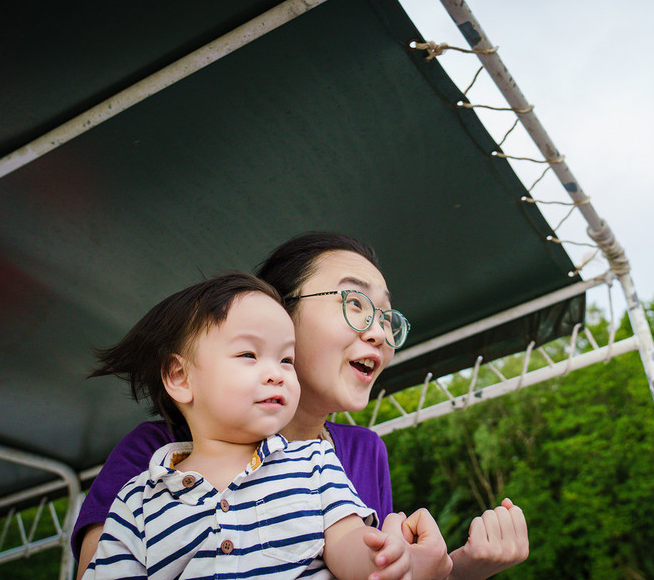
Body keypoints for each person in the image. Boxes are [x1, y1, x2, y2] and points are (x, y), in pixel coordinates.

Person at [75, 232, 529, 579]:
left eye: (387, 318)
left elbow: (372, 565)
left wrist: (456, 567)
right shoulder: (153, 460)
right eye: (355, 303)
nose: (380, 333)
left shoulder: (360, 453)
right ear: (276, 311)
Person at [83, 272, 410, 580]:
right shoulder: (137, 501)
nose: (277, 373)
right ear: (180, 377)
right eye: (249, 354)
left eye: (286, 360)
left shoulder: (316, 463)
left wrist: (382, 557)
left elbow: (348, 542)